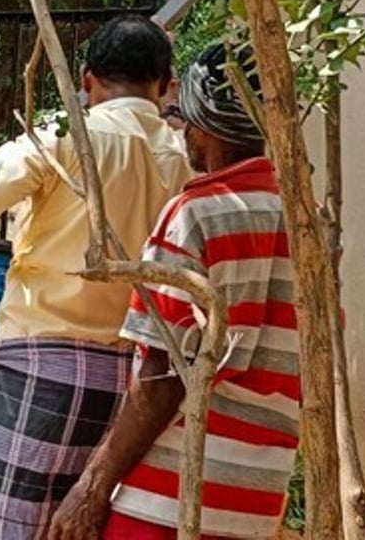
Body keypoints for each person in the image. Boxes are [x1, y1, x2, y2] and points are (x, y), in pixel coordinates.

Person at [0, 15, 192, 540]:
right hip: (140, 386)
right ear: (166, 86)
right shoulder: (186, 159)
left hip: (42, 369)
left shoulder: (63, 136)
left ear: (87, 79)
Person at [46, 44, 299, 540]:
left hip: (168, 498)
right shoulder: (307, 223)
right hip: (259, 498)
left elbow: (161, 378)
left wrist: (93, 486)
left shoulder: (195, 214)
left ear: (204, 123)